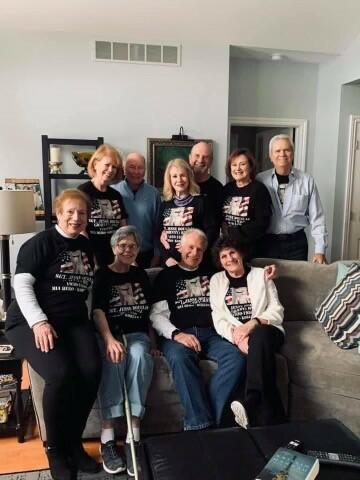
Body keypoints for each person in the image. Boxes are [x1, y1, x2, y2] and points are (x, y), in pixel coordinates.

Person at [5, 189, 102, 480]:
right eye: (70, 212)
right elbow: (21, 286)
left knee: (92, 370)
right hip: (29, 320)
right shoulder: (40, 243)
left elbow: (84, 290)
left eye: (82, 213)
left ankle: (74, 442)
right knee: (61, 374)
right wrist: (39, 322)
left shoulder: (85, 246)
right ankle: (55, 448)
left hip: (72, 321)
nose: (76, 217)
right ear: (58, 213)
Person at [150, 228, 246, 431]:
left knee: (237, 358)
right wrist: (177, 335)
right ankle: (199, 425)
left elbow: (242, 272)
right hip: (178, 334)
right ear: (181, 248)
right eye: (190, 247)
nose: (194, 253)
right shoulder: (166, 276)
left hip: (212, 334)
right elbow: (156, 315)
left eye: (200, 249)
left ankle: (213, 417)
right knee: (179, 358)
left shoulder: (215, 275)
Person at [93, 225, 159, 476]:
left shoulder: (140, 274)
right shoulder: (102, 275)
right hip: (111, 334)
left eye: (132, 246)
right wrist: (109, 339)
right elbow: (97, 310)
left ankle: (133, 436)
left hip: (138, 334)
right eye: (122, 246)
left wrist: (154, 344)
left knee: (141, 357)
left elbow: (150, 313)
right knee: (114, 359)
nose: (127, 250)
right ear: (113, 248)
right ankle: (107, 439)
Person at [209, 235, 286, 428]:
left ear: (241, 253)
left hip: (268, 331)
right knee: (261, 361)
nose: (229, 259)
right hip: (237, 337)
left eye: (232, 252)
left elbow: (277, 310)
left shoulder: (261, 274)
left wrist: (252, 323)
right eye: (224, 256)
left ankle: (250, 400)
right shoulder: (216, 280)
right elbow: (218, 317)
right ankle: (273, 419)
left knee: (259, 335)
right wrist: (237, 338)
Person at [257, 134, 328, 263]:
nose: (282, 154)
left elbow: (317, 217)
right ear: (270, 156)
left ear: (293, 153)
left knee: (298, 281)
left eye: (287, 150)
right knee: (269, 282)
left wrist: (320, 249)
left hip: (297, 244)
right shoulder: (260, 180)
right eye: (277, 151)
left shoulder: (307, 180)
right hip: (268, 243)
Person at [158, 158, 217, 267]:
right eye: (174, 176)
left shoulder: (201, 202)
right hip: (170, 262)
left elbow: (211, 231)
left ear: (189, 177)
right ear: (169, 179)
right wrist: (167, 258)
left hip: (196, 261)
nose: (179, 179)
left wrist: (195, 251)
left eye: (183, 175)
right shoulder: (165, 205)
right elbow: (157, 234)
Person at [78, 144, 127, 267]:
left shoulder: (115, 195)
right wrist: (91, 256)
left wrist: (123, 254)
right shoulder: (83, 191)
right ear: (95, 164)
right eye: (107, 165)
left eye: (114, 167)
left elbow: (123, 227)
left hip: (115, 255)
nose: (111, 170)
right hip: (91, 255)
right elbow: (80, 228)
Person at [222, 148, 272, 257]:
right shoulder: (226, 189)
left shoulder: (259, 190)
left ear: (250, 166)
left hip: (251, 249)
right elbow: (221, 218)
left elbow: (262, 223)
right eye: (234, 165)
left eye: (242, 164)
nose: (238, 169)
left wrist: (234, 232)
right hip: (228, 248)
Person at [114, 152, 161, 268]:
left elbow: (158, 227)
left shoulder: (153, 193)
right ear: (124, 169)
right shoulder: (113, 192)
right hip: (120, 253)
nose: (136, 171)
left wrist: (157, 254)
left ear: (145, 170)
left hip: (147, 254)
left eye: (140, 168)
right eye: (132, 167)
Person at [188, 141, 223, 232]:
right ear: (190, 158)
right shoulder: (181, 185)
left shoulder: (218, 188)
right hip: (182, 244)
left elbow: (220, 221)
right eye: (197, 155)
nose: (200, 160)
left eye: (205, 157)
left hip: (210, 244)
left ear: (211, 161)